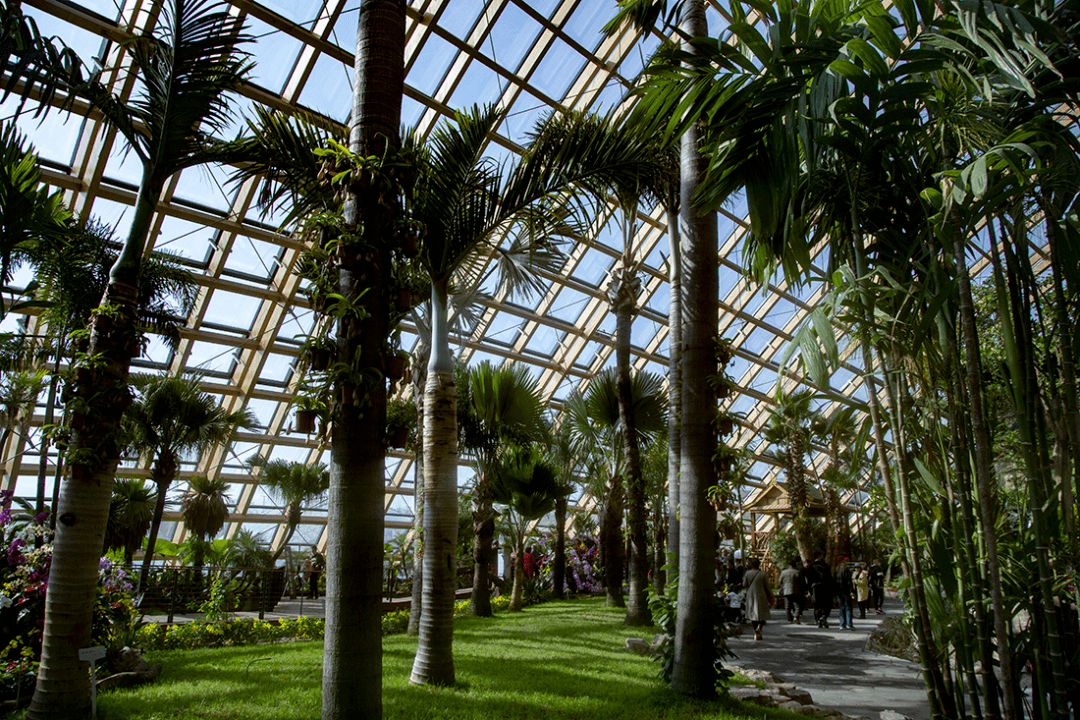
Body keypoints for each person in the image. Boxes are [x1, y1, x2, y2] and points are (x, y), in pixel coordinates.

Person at [743, 557, 772, 640]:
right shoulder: (762, 574)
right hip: (761, 595)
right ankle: (760, 628)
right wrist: (771, 596)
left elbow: (744, 584)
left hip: (751, 595)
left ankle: (755, 629)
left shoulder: (747, 573)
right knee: (762, 613)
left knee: (753, 614)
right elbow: (767, 587)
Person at [810, 554, 834, 628]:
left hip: (815, 587)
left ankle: (818, 619)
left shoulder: (811, 566)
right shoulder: (825, 566)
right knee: (826, 603)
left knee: (817, 604)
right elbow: (830, 578)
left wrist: (809, 590)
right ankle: (824, 616)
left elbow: (809, 579)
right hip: (825, 586)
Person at [778, 558, 805, 624]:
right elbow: (802, 582)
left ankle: (790, 618)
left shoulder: (784, 572)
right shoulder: (798, 572)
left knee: (787, 606)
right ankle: (796, 616)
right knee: (797, 606)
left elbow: (780, 581)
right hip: (796, 591)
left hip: (786, 591)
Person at [835, 557, 855, 629]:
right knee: (848, 607)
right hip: (846, 591)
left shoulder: (837, 570)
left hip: (839, 591)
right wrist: (851, 591)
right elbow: (849, 581)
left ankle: (842, 624)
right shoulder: (846, 570)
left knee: (841, 607)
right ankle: (849, 624)